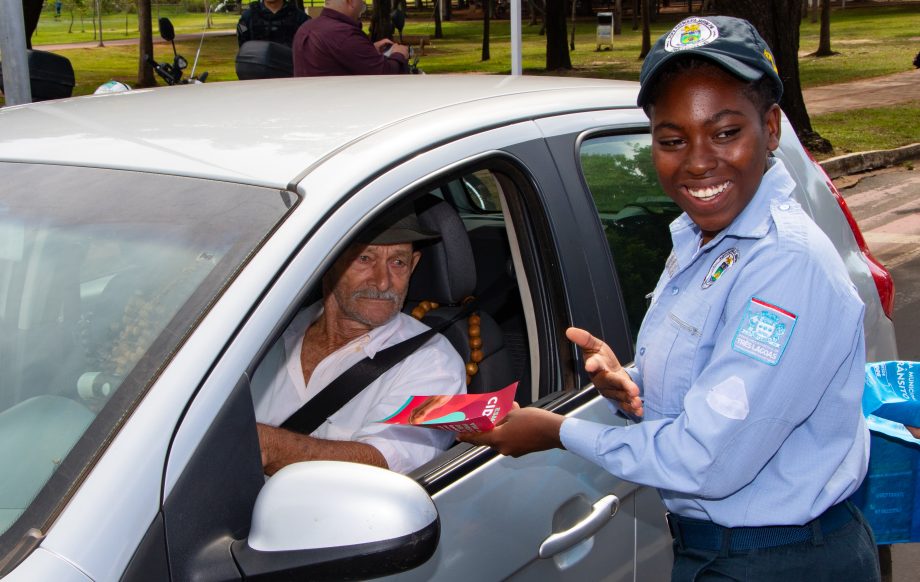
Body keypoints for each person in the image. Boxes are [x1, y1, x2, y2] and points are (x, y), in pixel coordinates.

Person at [461, 16, 881, 581]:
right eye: (672, 139)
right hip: (724, 550)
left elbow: (706, 460)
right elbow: (714, 383)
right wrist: (633, 392)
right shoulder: (700, 237)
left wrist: (556, 431)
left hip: (778, 560)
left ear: (773, 128)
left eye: (726, 132)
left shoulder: (784, 264)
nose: (699, 161)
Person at [252, 206, 466, 475]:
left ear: (413, 265)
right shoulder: (263, 334)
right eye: (364, 258)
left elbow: (385, 467)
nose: (383, 282)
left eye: (397, 262)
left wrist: (269, 447)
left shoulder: (434, 362)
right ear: (327, 262)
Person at [292, 0, 409, 76]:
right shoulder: (344, 34)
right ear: (351, 2)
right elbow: (385, 74)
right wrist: (399, 54)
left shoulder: (306, 28)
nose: (361, 10)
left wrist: (369, 49)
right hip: (340, 108)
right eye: (362, 3)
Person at [236, 0, 309, 48]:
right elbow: (242, 43)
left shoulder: (301, 18)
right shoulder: (246, 17)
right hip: (257, 68)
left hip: (289, 68)